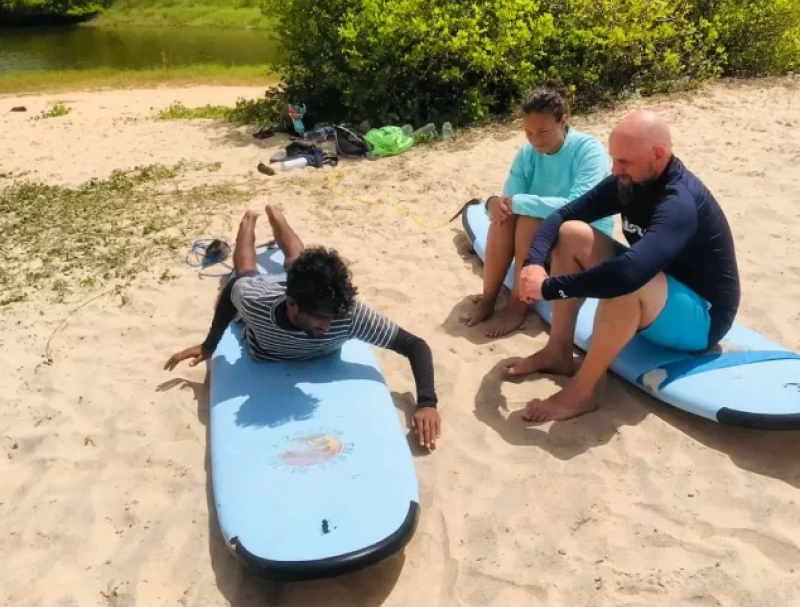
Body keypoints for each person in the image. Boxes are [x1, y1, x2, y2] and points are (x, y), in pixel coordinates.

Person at [508, 109, 740, 423]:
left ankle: (582, 392)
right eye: (614, 159)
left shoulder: (679, 202)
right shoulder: (629, 180)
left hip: (703, 320)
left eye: (624, 162)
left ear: (658, 154)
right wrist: (534, 263)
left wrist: (549, 287)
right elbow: (561, 216)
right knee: (571, 233)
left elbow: (629, 274)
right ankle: (558, 352)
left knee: (628, 279)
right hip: (661, 291)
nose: (615, 169)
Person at [165, 203, 442, 450]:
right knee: (245, 273)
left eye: (332, 317)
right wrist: (209, 345)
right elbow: (231, 293)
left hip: (296, 293)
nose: (328, 325)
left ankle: (276, 215)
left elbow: (414, 345)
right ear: (293, 305)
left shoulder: (346, 315)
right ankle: (248, 221)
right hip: (264, 290)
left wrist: (427, 402)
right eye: (320, 318)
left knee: (299, 263)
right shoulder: (256, 303)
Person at [464, 83, 614, 337]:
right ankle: (488, 298)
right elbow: (509, 200)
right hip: (541, 243)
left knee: (530, 219)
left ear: (563, 121)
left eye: (543, 131)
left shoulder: (589, 151)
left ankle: (517, 306)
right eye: (528, 132)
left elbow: (578, 205)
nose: (535, 140)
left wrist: (517, 203)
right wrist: (493, 203)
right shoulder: (528, 153)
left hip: (582, 240)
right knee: (504, 219)